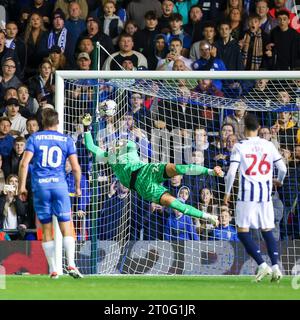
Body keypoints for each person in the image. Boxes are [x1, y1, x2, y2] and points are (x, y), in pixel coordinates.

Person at [82, 110, 223, 226]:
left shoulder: (128, 145)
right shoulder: (108, 156)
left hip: (147, 170)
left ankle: (210, 171)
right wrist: (86, 128)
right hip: (142, 186)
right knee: (175, 204)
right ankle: (207, 216)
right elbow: (91, 146)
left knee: (178, 168)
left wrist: (113, 127)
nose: (114, 145)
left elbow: (129, 142)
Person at [18, 108, 83, 279]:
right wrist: (77, 188)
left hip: (41, 187)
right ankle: (71, 264)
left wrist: (21, 187)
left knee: (46, 228)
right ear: (57, 122)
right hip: (60, 186)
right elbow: (76, 168)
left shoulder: (34, 138)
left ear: (42, 123)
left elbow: (24, 164)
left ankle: (54, 270)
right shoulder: (66, 140)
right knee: (66, 225)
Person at [224, 113, 287, 282]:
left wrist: (227, 193)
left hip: (246, 195)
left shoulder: (240, 146)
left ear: (244, 128)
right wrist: (278, 181)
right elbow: (283, 169)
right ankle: (275, 267)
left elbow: (231, 173)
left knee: (242, 232)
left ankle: (262, 265)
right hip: (265, 196)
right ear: (258, 128)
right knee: (267, 230)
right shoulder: (268, 145)